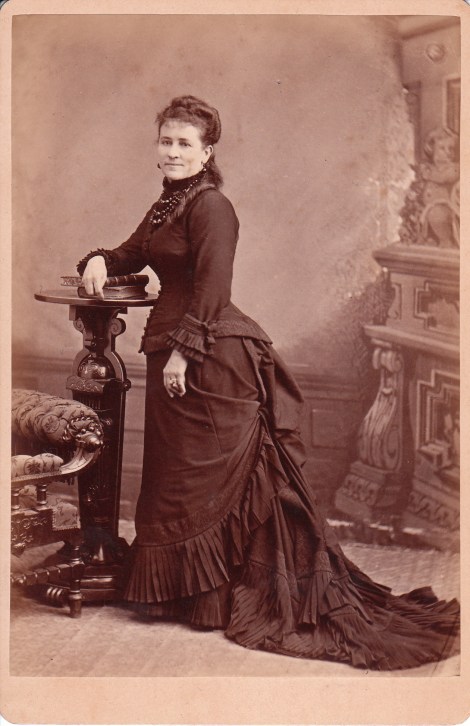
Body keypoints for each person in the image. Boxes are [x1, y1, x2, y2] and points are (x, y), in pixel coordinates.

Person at [78, 95, 459, 670]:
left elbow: (213, 287)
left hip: (207, 354)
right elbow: (135, 252)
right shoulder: (169, 202)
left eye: (185, 143)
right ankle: (191, 596)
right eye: (166, 141)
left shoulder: (212, 207)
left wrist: (183, 353)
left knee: (216, 478)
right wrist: (101, 259)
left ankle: (225, 595)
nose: (173, 151)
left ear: (207, 151)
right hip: (172, 348)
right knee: (181, 476)